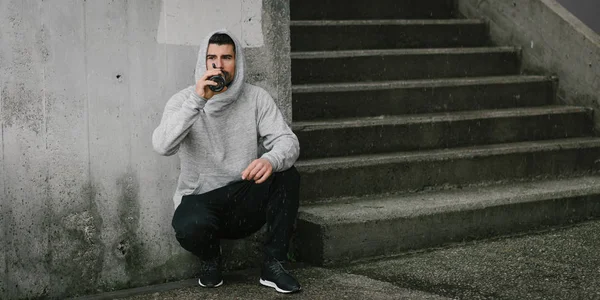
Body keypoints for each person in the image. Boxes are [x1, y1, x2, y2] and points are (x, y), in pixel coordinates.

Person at [152, 30, 301, 294]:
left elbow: (288, 142)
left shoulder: (256, 97)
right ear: (203, 62)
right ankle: (211, 258)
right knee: (187, 226)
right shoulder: (184, 101)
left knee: (287, 174)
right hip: (202, 200)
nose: (219, 65)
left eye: (226, 57)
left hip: (243, 196)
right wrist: (198, 101)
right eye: (212, 58)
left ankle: (274, 264)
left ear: (237, 62)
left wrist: (270, 159)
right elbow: (163, 146)